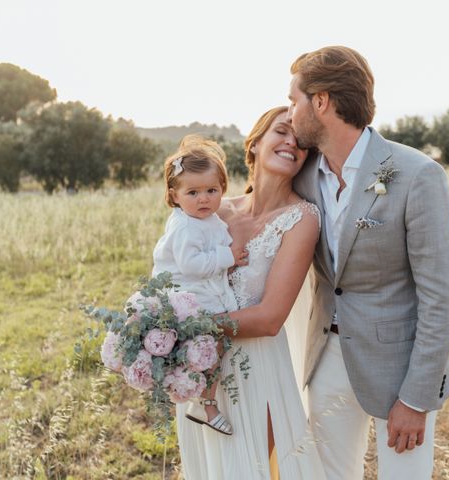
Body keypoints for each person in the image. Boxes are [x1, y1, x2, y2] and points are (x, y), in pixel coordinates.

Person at [289, 45, 449, 480]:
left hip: (399, 366)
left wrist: (416, 398)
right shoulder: (305, 175)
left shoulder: (416, 175)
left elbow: (441, 297)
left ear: (322, 102)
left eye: (293, 101)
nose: (290, 113)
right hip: (326, 357)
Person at [175, 106, 326, 480]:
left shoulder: (302, 219)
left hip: (257, 370)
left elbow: (270, 318)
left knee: (267, 467)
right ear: (255, 143)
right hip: (199, 367)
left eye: (301, 141)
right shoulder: (212, 211)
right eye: (281, 132)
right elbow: (171, 274)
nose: (292, 142)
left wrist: (191, 326)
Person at [151, 136, 248, 436]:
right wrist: (227, 257)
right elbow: (192, 264)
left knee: (211, 349)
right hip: (188, 297)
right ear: (174, 195)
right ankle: (205, 404)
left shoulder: (204, 219)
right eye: (193, 192)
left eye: (211, 190)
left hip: (203, 291)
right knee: (210, 347)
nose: (204, 199)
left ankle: (201, 397)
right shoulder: (184, 227)